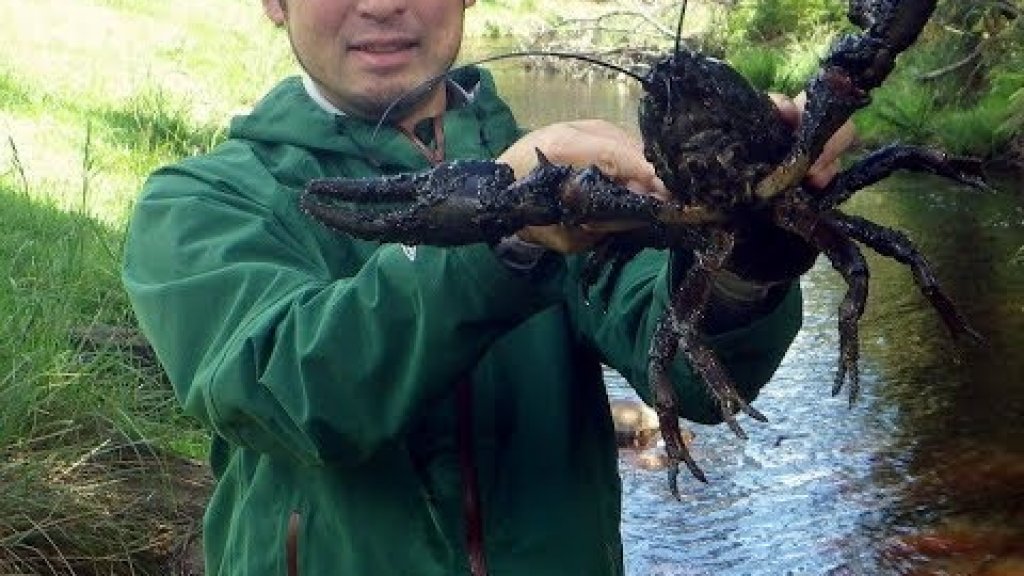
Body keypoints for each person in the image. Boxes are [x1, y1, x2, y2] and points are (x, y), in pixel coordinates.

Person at [121, 0, 856, 574]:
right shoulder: (197, 204)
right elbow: (287, 389)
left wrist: (753, 252)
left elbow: (695, 371)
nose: (382, 7)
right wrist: (504, 229)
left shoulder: (580, 170)